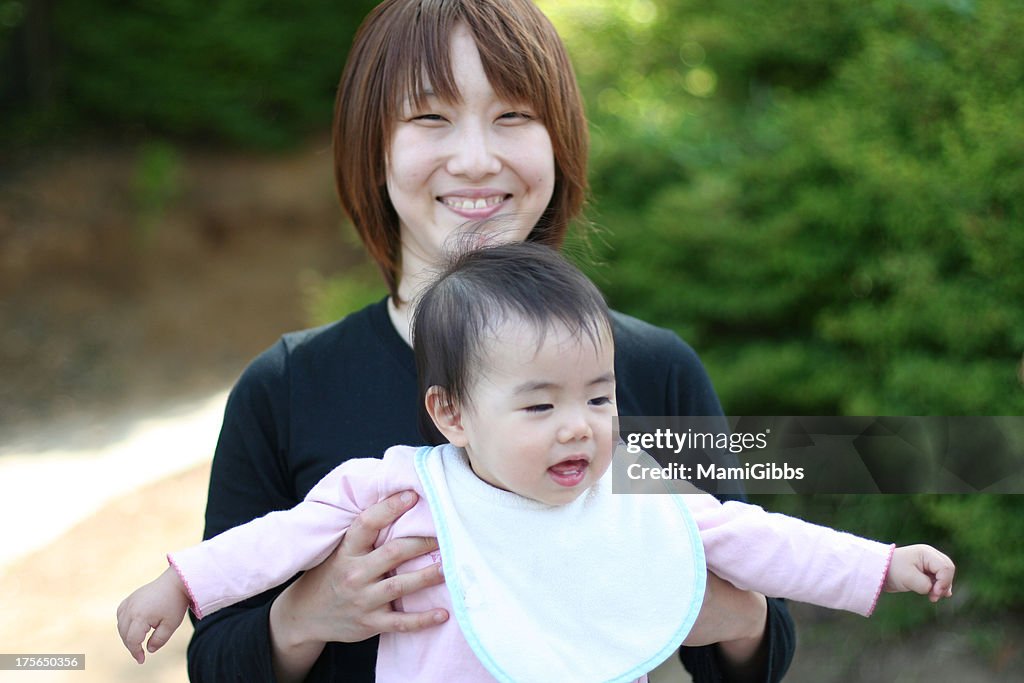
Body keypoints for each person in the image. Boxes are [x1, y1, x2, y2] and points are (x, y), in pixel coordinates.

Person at [187, 1, 798, 681]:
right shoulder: (288, 388)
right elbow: (213, 659)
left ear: (559, 141)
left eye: (513, 116)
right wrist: (308, 612)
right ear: (373, 146)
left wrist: (731, 612)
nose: (476, 160)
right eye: (430, 118)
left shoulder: (655, 371)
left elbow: (755, 641)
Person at [119, 243, 955, 682]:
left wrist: (880, 565)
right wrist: (181, 584)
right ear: (450, 413)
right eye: (540, 405)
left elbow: (759, 538)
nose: (579, 430)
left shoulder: (643, 472)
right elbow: (273, 540)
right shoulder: (395, 480)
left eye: (599, 398)